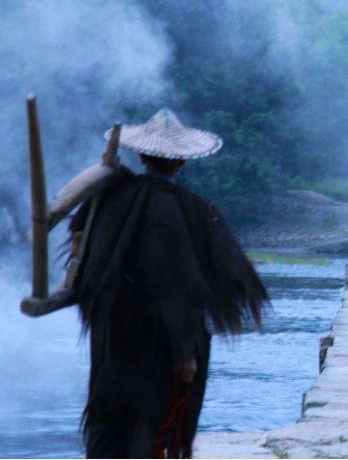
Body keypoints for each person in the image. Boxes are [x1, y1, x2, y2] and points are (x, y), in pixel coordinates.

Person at [68, 108, 269, 458]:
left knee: (108, 417)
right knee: (154, 422)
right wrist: (185, 354)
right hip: (158, 345)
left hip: (112, 336)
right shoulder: (190, 210)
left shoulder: (109, 198)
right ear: (181, 163)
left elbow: (80, 247)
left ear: (143, 156)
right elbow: (181, 286)